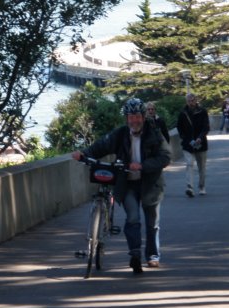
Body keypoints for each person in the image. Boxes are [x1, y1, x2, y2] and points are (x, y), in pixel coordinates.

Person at [72, 97, 171, 273]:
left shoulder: (154, 133)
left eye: (137, 116)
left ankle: (153, 256)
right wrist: (83, 153)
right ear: (126, 118)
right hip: (128, 183)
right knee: (132, 218)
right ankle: (135, 255)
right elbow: (101, 146)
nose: (134, 120)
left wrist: (142, 166)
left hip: (151, 184)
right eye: (131, 117)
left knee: (152, 224)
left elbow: (165, 157)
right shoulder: (120, 134)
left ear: (143, 116)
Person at [177, 93, 210, 197]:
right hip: (188, 144)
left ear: (196, 100)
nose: (191, 102)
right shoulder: (182, 113)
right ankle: (189, 187)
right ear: (186, 101)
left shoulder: (203, 111)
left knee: (202, 167)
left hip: (201, 144)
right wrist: (187, 139)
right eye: (189, 100)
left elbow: (206, 127)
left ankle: (202, 186)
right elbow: (180, 128)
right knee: (189, 164)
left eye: (193, 100)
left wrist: (200, 138)